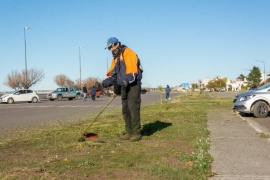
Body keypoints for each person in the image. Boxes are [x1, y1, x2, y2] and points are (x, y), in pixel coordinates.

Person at [101, 37, 143, 142]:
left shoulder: (127, 52)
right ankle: (129, 132)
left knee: (133, 109)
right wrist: (106, 82)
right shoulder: (115, 58)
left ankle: (137, 133)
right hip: (124, 86)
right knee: (125, 110)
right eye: (109, 48)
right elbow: (114, 75)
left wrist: (126, 81)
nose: (111, 49)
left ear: (117, 44)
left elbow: (132, 73)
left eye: (112, 46)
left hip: (133, 85)